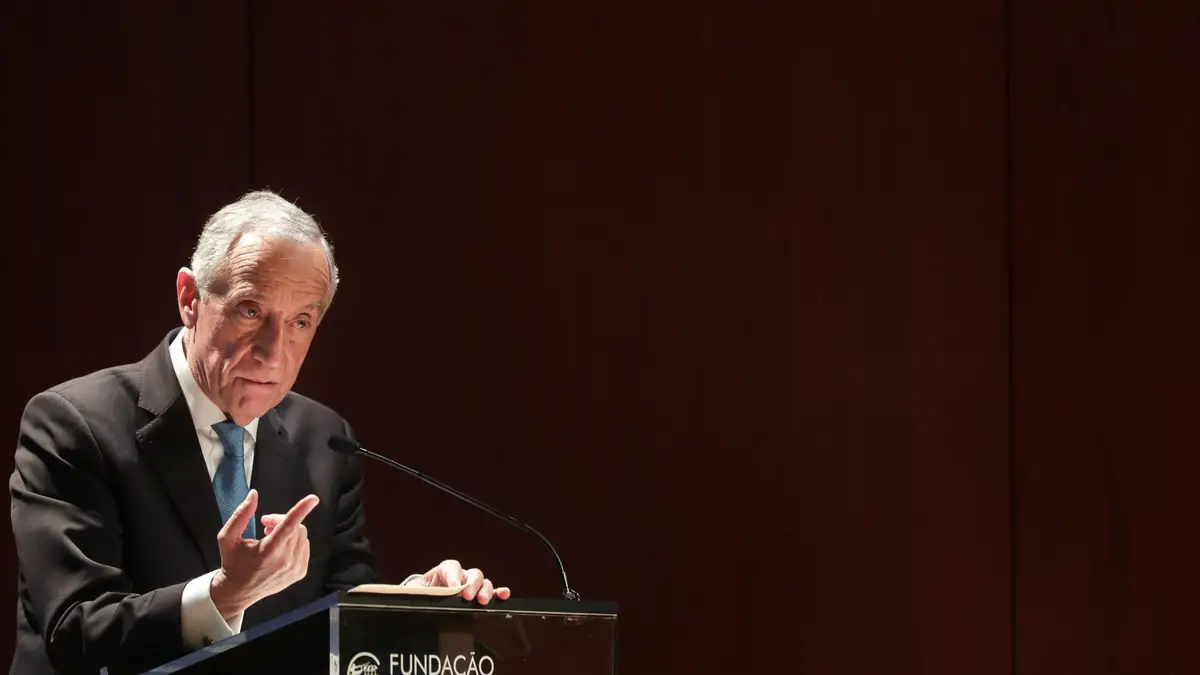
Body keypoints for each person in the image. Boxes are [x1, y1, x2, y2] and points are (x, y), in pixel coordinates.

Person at [8, 190, 510, 674]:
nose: (273, 353)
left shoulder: (323, 438)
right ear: (190, 298)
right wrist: (225, 594)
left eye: (301, 323)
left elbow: (338, 618)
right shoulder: (75, 424)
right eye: (251, 311)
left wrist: (414, 607)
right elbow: (75, 631)